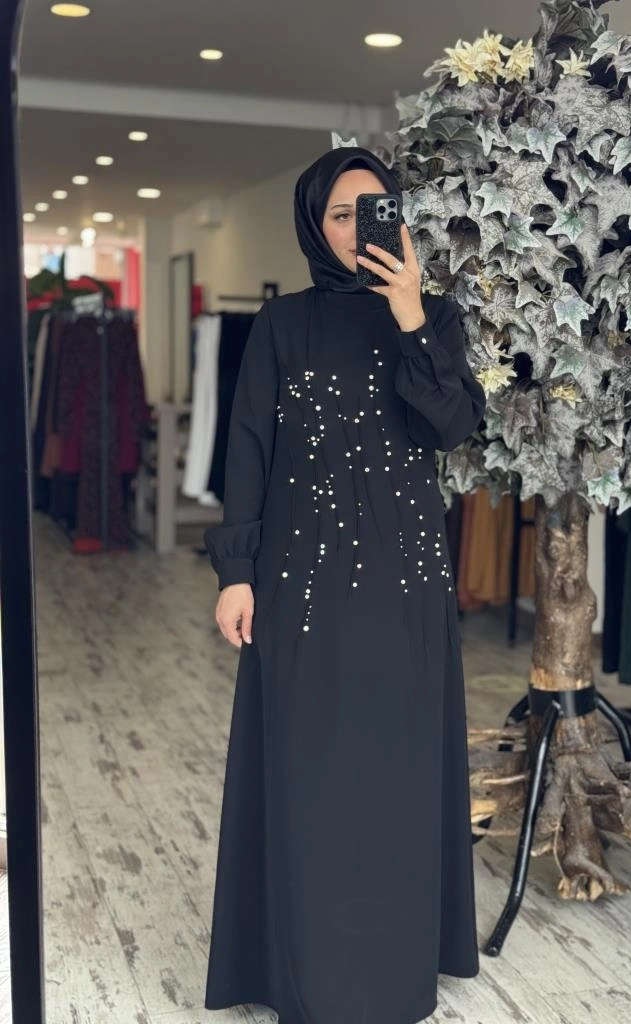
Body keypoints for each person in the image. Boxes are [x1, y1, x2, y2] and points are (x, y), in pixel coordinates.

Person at [203, 145, 486, 1024]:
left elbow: (452, 427)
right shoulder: (281, 326)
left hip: (404, 587)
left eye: (374, 208)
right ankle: (302, 972)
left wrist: (410, 315)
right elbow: (247, 449)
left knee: (395, 774)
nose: (359, 227)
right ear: (313, 227)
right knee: (308, 773)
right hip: (301, 585)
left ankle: (394, 969)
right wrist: (236, 571)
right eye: (339, 213)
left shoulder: (434, 316)